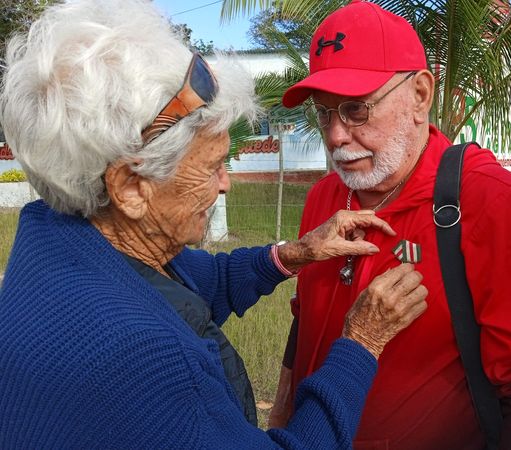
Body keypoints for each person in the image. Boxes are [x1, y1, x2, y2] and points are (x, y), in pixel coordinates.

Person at [0, 0, 429, 447]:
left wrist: (292, 254)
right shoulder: (144, 360)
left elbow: (199, 283)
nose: (225, 184)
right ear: (129, 186)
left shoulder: (59, 235)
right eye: (212, 166)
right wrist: (361, 343)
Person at [270, 1, 511, 449]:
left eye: (356, 110)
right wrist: (281, 412)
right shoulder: (324, 197)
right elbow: (306, 320)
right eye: (323, 113)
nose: (335, 136)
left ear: (419, 95)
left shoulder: (491, 200)